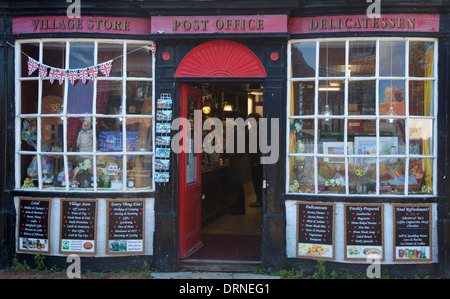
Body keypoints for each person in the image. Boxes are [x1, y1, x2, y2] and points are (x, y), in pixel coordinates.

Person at [247, 113, 263, 208]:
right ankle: (260, 199)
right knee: (259, 180)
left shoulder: (257, 130)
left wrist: (257, 160)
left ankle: (259, 200)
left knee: (257, 181)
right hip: (257, 159)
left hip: (256, 160)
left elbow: (260, 146)